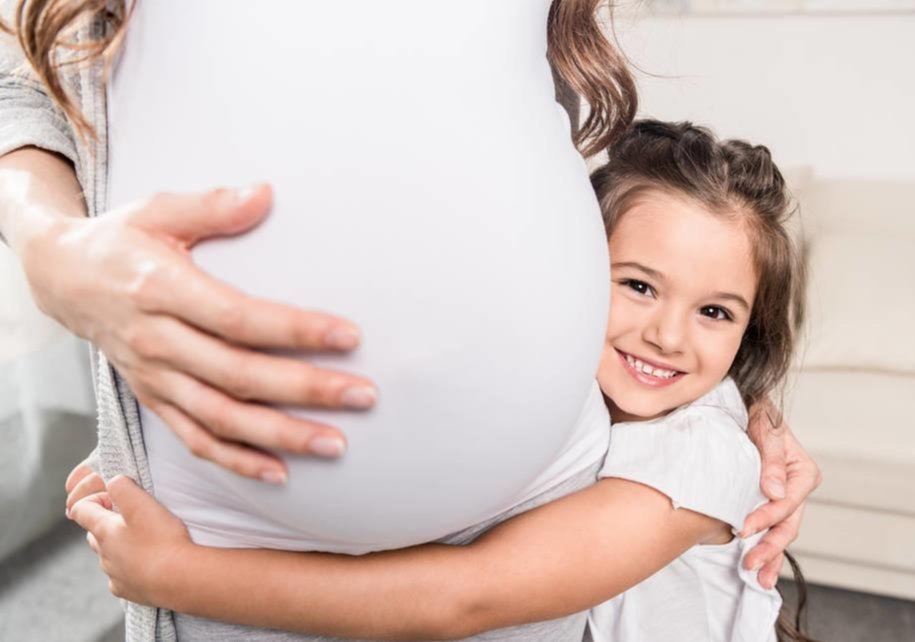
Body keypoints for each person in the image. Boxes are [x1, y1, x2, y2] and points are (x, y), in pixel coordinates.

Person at [0, 1, 819, 639]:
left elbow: (465, 600)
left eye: (713, 313)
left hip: (490, 592)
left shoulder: (698, 458)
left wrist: (175, 575)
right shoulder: (683, 432)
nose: (669, 332)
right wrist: (48, 243)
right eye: (636, 286)